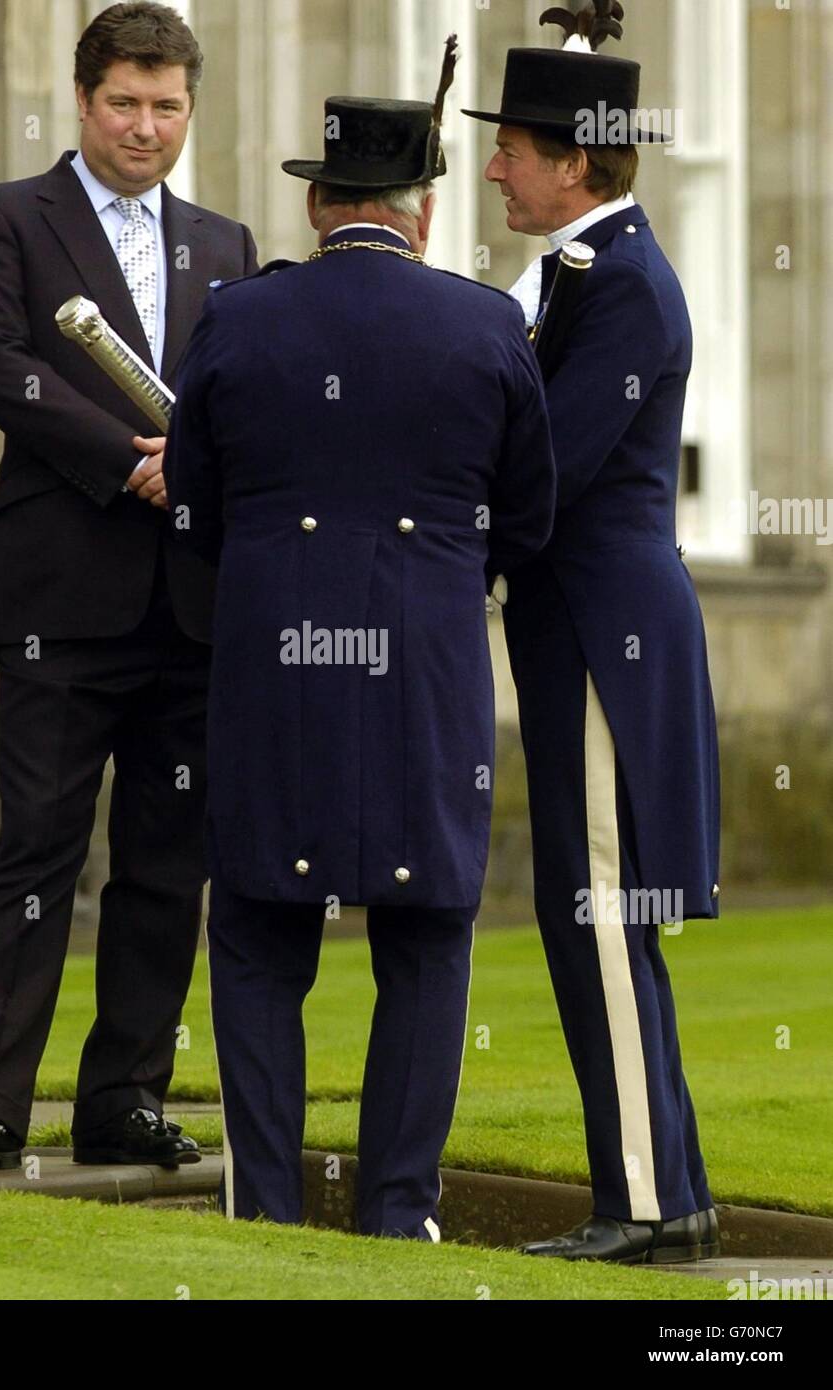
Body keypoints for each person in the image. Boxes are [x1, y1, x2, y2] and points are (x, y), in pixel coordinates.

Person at [165, 84, 557, 1239]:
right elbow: (526, 521)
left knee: (253, 934)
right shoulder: (486, 325)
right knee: (426, 934)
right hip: (425, 676)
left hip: (268, 671)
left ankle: (266, 1204)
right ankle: (396, 1208)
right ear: (420, 212)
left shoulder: (236, 319)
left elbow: (190, 510)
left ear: (320, 204)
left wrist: (229, 626)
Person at [0, 1, 258, 1175]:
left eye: (166, 106)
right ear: (82, 97)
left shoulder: (226, 243)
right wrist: (132, 460)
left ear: (188, 110)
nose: (144, 127)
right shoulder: (5, 217)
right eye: (125, 102)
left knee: (167, 865)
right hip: (57, 602)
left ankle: (123, 1096)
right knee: (35, 852)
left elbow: (239, 397)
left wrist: (197, 463)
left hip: (192, 604)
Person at [461, 1, 722, 1262]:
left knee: (603, 908)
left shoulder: (618, 285)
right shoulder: (582, 273)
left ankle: (641, 1201)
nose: (494, 166)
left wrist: (423, 537)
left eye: (510, 146)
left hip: (607, 639)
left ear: (572, 161)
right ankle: (669, 1184)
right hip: (583, 629)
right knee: (593, 912)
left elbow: (543, 474)